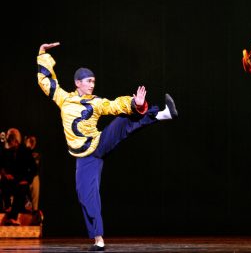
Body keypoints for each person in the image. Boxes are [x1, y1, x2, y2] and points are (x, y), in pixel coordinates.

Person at [37, 42, 178, 251]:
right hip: (85, 157)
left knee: (123, 122)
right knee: (85, 195)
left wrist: (134, 103)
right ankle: (98, 239)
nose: (92, 85)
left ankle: (163, 113)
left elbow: (113, 105)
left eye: (94, 81)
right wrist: (42, 54)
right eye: (88, 81)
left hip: (98, 144)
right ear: (78, 83)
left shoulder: (96, 102)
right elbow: (46, 81)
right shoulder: (64, 99)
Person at [0, 128, 37, 225]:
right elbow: (2, 166)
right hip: (10, 180)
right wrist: (5, 174)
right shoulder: (6, 151)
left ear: (16, 141)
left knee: (22, 188)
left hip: (22, 181)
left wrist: (26, 180)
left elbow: (34, 169)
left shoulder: (25, 152)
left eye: (11, 141)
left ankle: (13, 217)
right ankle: (7, 208)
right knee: (4, 183)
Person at [24, 135, 41, 215]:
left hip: (30, 177)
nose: (31, 143)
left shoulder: (35, 154)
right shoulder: (20, 151)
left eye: (33, 141)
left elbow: (35, 169)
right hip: (20, 177)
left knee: (35, 179)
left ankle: (34, 209)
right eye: (29, 140)